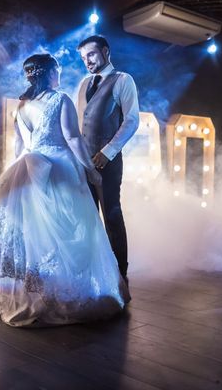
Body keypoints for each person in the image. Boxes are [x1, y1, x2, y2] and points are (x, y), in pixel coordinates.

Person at [0, 53, 129, 327]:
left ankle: (30, 295)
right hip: (59, 169)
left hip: (27, 169)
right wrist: (90, 169)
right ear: (49, 72)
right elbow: (73, 138)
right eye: (57, 70)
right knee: (71, 230)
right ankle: (64, 295)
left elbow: (19, 145)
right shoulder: (60, 99)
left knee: (32, 237)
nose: (60, 74)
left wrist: (17, 173)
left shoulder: (21, 105)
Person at [75, 35, 139, 283]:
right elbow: (80, 124)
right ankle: (94, 272)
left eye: (91, 54)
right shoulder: (83, 84)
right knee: (87, 218)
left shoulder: (123, 80)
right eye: (83, 58)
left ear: (105, 51)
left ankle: (121, 274)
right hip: (83, 163)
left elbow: (132, 120)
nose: (87, 61)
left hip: (108, 163)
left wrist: (108, 152)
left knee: (111, 215)